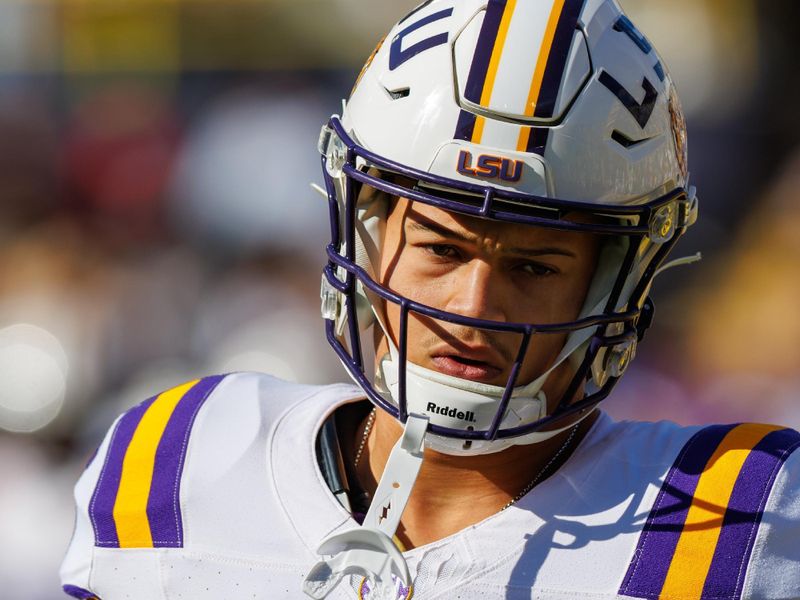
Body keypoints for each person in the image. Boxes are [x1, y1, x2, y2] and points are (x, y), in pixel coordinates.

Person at [60, 1, 800, 598]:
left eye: (536, 267)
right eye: (443, 249)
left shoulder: (742, 515)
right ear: (368, 235)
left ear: (615, 282)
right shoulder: (180, 457)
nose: (475, 304)